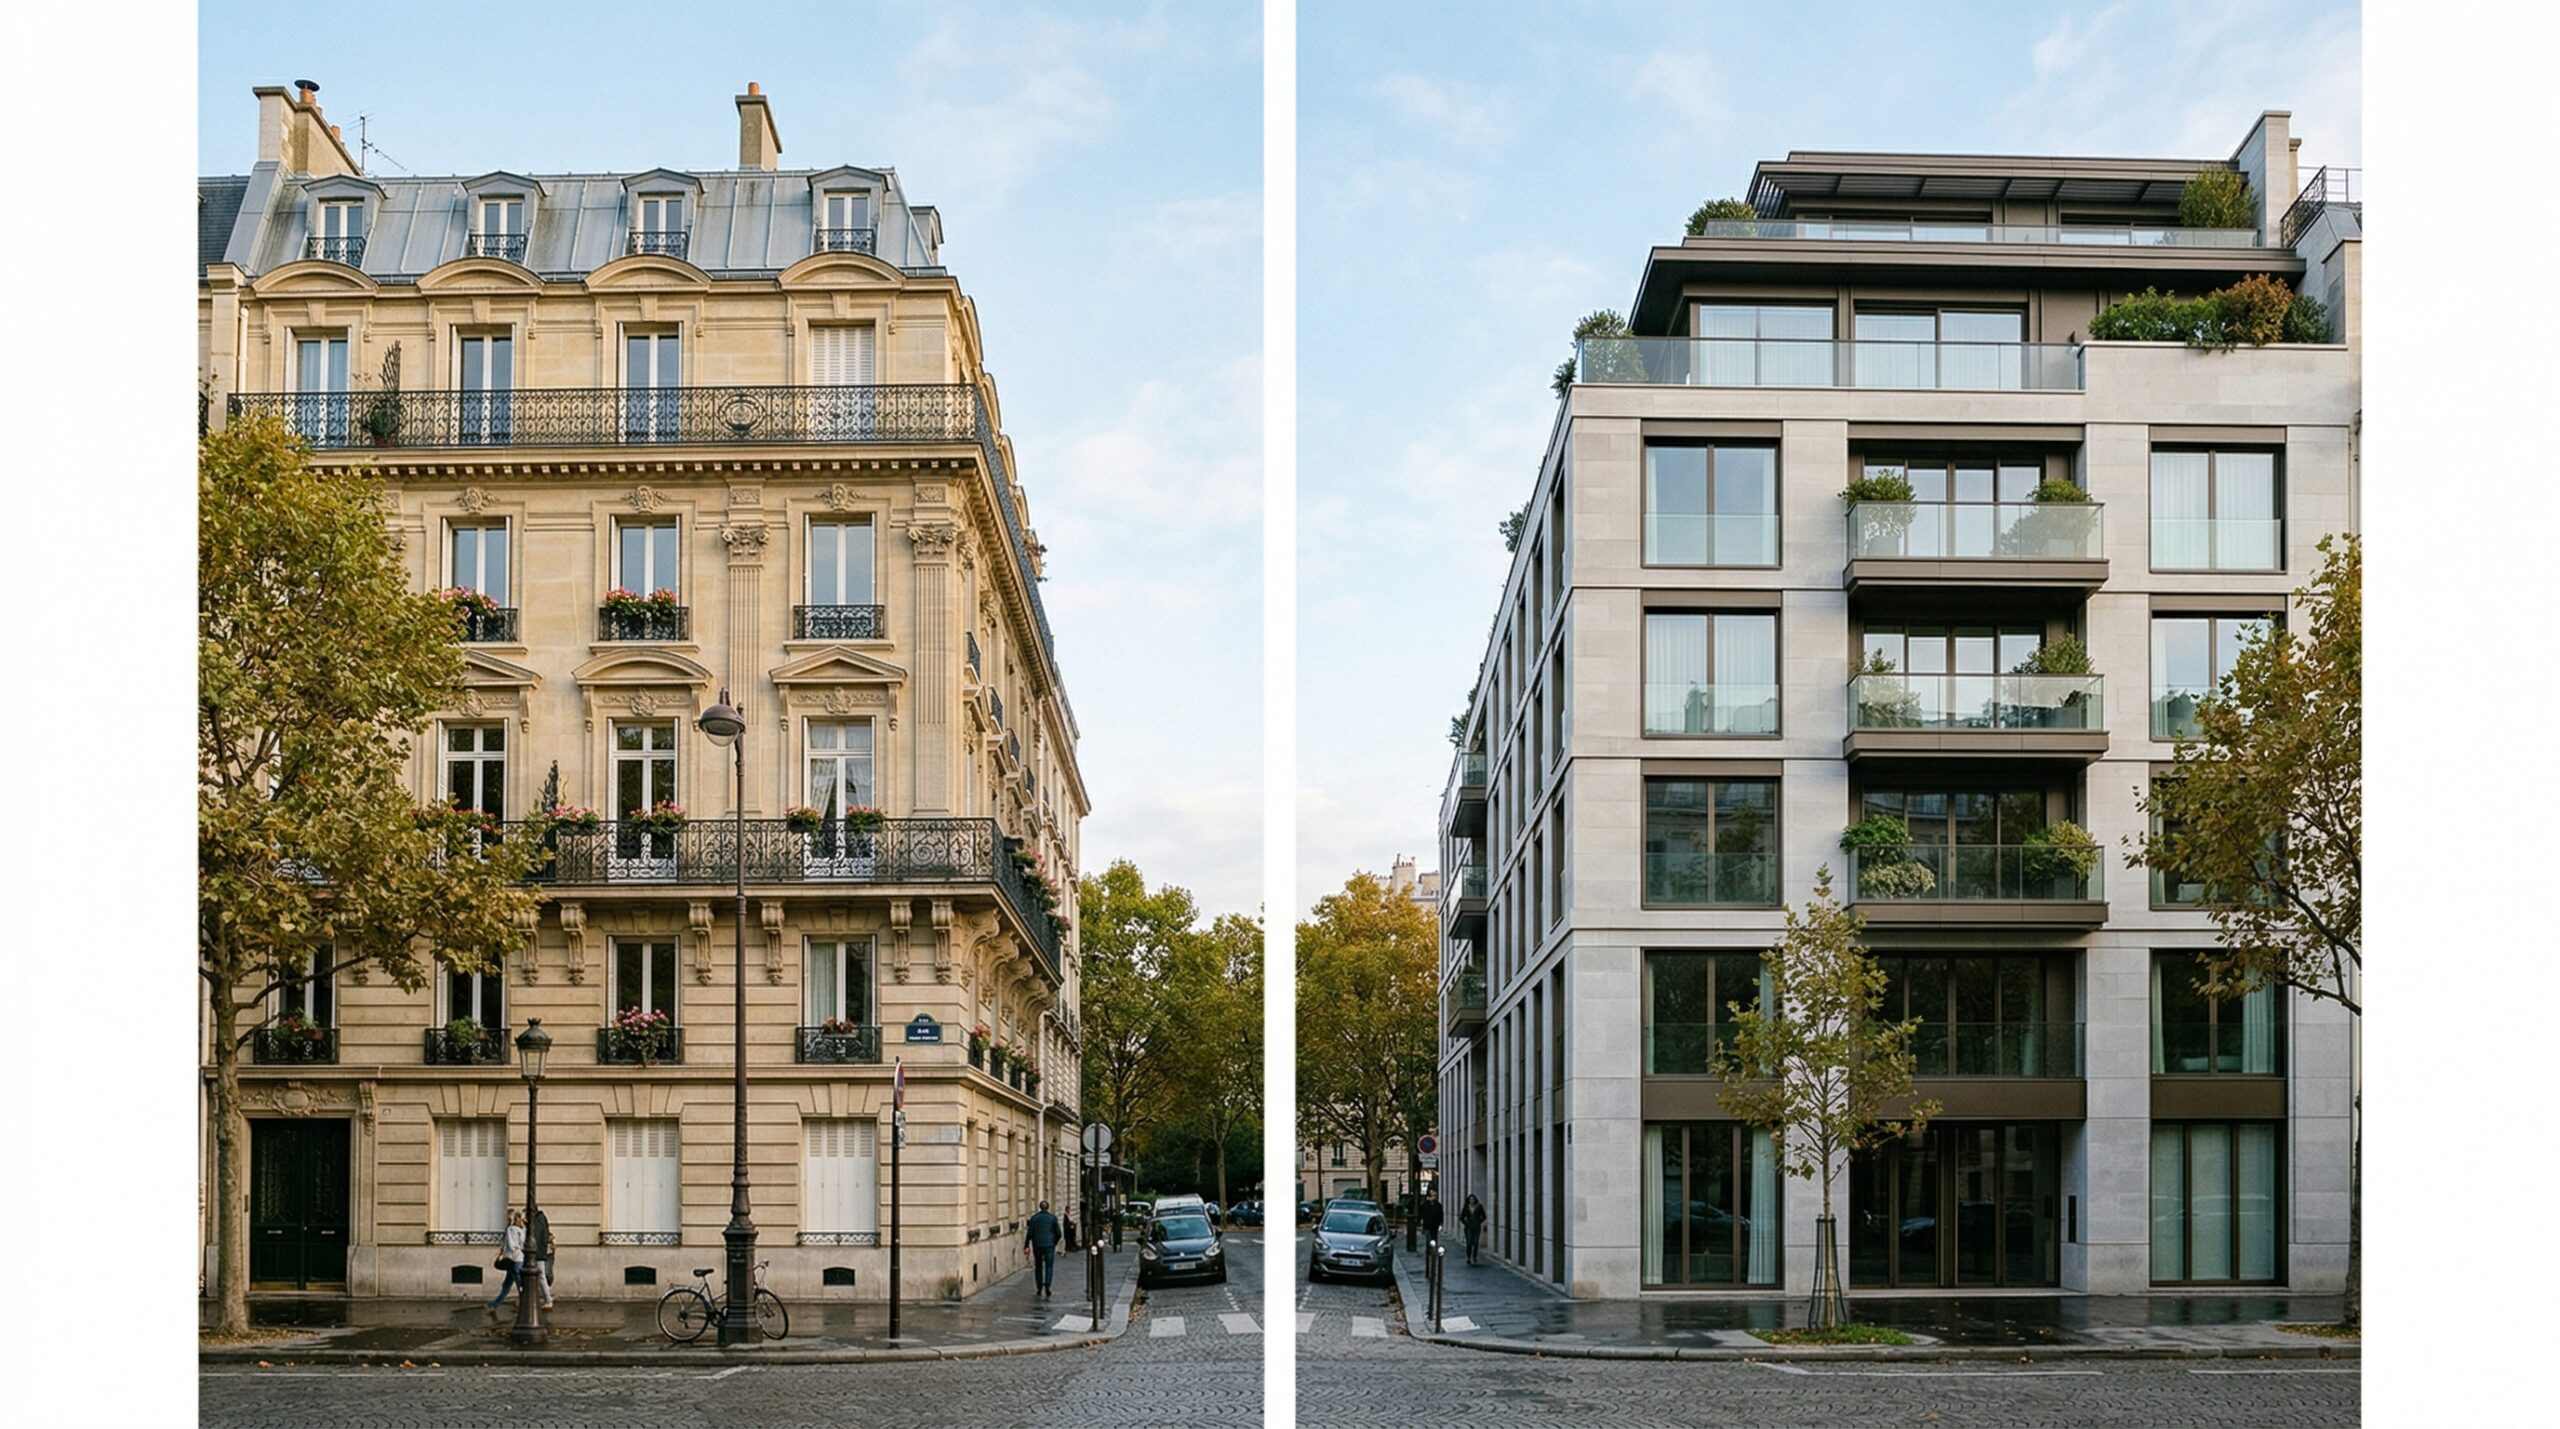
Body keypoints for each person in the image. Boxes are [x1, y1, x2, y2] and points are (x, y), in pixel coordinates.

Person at [486, 1209, 529, 1313]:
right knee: (510, 1285)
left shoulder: (511, 1229)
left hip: (513, 1259)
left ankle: (524, 1306)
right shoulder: (523, 1230)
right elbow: (522, 1243)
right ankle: (494, 1305)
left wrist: (509, 1250)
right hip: (519, 1258)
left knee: (516, 1286)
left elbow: (511, 1244)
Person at [1024, 1200, 1062, 1297]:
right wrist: (1055, 1241)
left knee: (1038, 1266)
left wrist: (1026, 1245)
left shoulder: (1034, 1218)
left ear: (1040, 1207)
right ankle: (1048, 1285)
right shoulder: (1052, 1218)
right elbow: (1058, 1233)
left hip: (1037, 1244)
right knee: (1049, 1266)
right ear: (1048, 1207)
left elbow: (1030, 1233)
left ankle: (1039, 1287)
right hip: (1049, 1244)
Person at [529, 1205, 556, 1310]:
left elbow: (535, 1235)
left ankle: (548, 1299)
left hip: (538, 1253)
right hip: (539, 1252)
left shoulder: (538, 1220)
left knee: (541, 1277)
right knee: (538, 1277)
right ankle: (541, 1298)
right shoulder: (541, 1218)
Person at [1459, 1194, 1486, 1267]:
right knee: (1469, 1243)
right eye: (1470, 1199)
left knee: (1476, 1242)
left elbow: (1484, 1216)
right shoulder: (1466, 1207)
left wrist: (1479, 1222)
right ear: (1468, 1200)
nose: (1472, 1201)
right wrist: (1466, 1223)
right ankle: (1468, 1257)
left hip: (1476, 1228)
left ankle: (1474, 1257)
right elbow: (1461, 1217)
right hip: (1468, 1228)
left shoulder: (1479, 1206)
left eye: (1473, 1199)